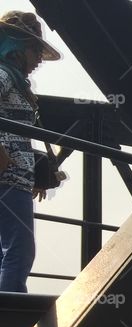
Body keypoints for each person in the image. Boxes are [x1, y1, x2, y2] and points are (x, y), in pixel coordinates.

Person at [0, 11, 61, 293]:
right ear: (18, 47)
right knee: (20, 251)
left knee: (8, 253)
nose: (39, 59)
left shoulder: (13, 79)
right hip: (8, 180)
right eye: (36, 50)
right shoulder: (4, 74)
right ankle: (11, 314)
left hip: (15, 179)